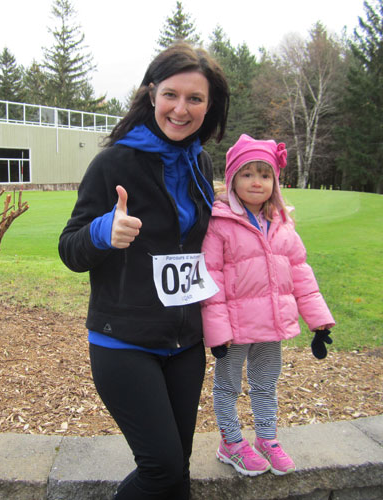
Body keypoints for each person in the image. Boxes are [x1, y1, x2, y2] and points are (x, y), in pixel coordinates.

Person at [58, 42, 229, 500]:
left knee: (176, 474)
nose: (181, 108)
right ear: (152, 93)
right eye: (172, 94)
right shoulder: (114, 162)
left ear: (209, 105)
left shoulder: (201, 162)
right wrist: (102, 232)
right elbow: (69, 249)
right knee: (161, 470)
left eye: (195, 98)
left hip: (185, 344)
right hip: (124, 341)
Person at [201, 134, 335, 477]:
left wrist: (319, 322)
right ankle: (230, 441)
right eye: (247, 174)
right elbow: (211, 278)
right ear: (232, 179)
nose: (256, 181)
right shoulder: (220, 223)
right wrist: (217, 332)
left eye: (264, 174)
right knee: (227, 385)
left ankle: (267, 439)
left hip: (270, 326)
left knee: (265, 383)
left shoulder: (282, 224)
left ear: (274, 181)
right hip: (234, 329)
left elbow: (301, 275)